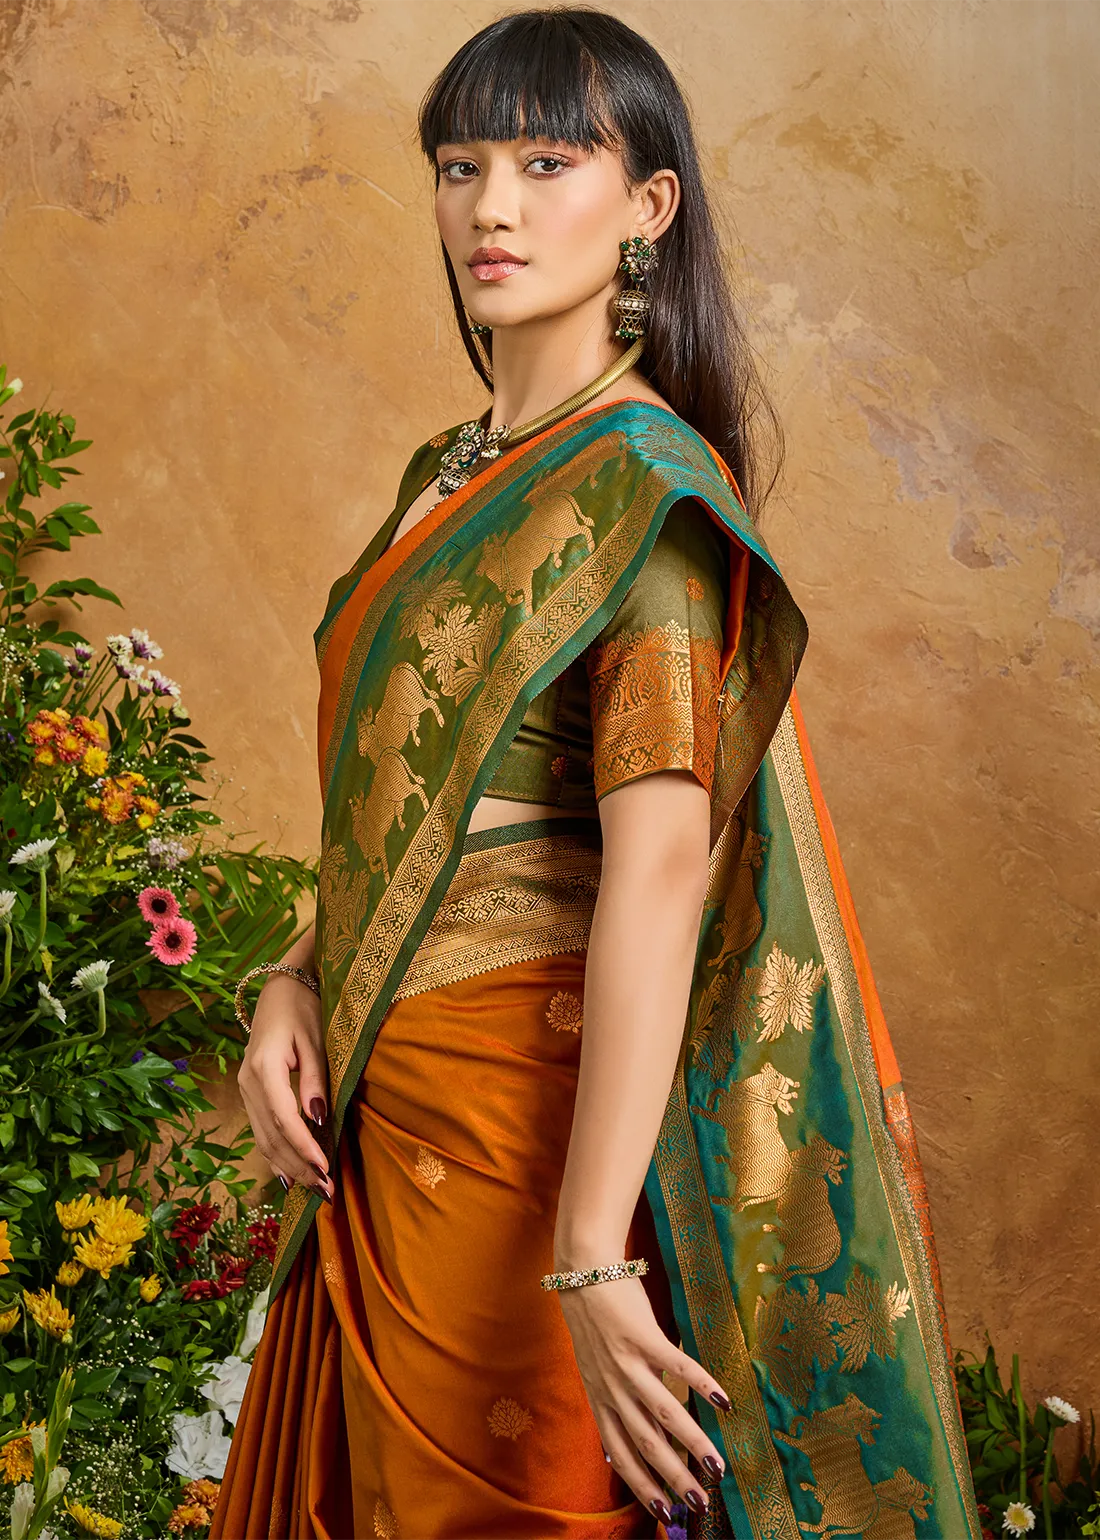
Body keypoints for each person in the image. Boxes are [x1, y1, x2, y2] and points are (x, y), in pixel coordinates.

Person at [211, 10, 982, 1539]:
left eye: (547, 164)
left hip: (524, 1150)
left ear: (649, 206)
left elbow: (660, 874)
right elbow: (417, 816)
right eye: (461, 167)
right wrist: (291, 980)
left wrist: (589, 1252)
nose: (491, 208)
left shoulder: (644, 498)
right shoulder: (443, 477)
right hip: (376, 1125)